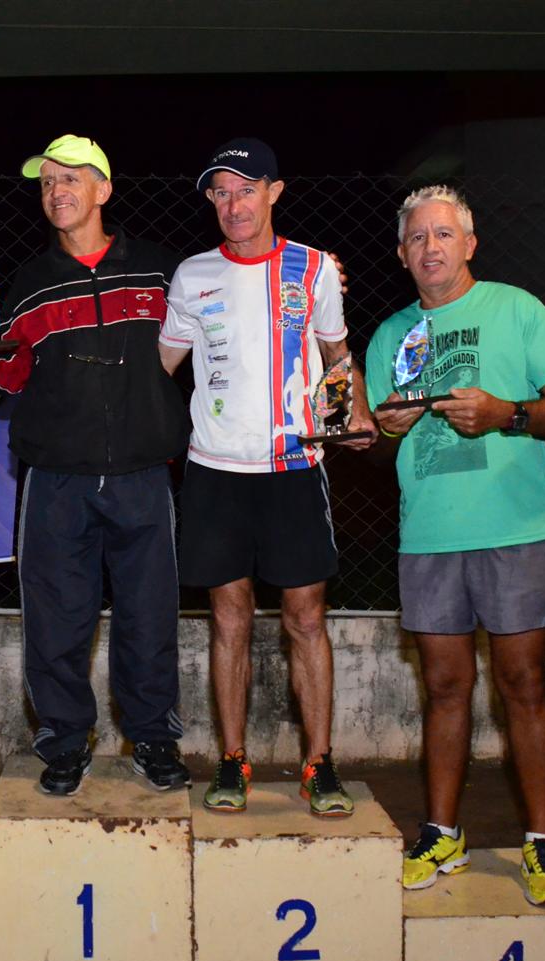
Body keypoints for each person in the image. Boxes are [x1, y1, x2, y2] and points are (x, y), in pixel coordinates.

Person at [364, 184, 545, 906]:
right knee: (444, 688)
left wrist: (507, 414)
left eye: (442, 235)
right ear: (401, 255)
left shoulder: (516, 308)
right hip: (430, 536)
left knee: (524, 685)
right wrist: (376, 430)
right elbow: (374, 432)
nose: (429, 248)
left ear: (469, 243)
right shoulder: (390, 336)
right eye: (416, 239)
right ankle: (442, 833)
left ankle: (543, 843)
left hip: (515, 532)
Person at [0, 134, 191, 797]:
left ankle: (155, 739)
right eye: (47, 182)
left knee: (149, 616)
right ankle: (62, 740)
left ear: (104, 190)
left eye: (71, 179)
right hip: (54, 477)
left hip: (143, 471)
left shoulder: (161, 271)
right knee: (56, 619)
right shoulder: (27, 282)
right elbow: (17, 379)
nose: (56, 191)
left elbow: (217, 330)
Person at [156, 138, 376, 817]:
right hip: (215, 471)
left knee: (306, 617)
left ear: (274, 192)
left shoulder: (312, 269)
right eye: (219, 193)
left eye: (245, 188)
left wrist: (355, 410)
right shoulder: (192, 274)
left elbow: (337, 353)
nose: (232, 204)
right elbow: (161, 368)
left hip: (294, 467)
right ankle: (232, 761)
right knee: (229, 618)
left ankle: (320, 763)